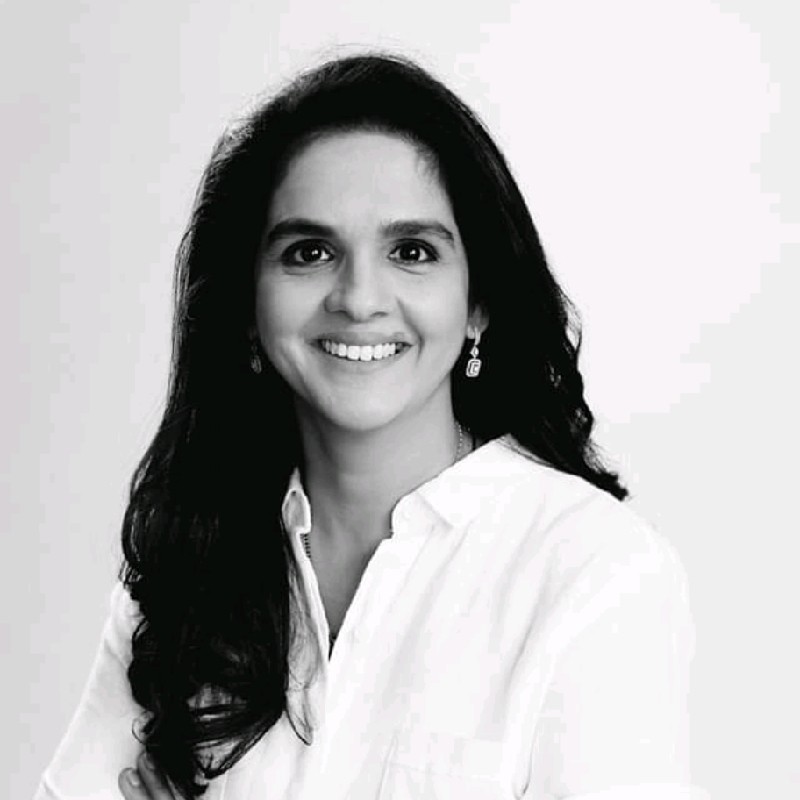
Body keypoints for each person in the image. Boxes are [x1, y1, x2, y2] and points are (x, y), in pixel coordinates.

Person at [35, 53, 703, 800]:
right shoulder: (183, 568)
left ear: (479, 303)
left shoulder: (593, 573)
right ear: (247, 306)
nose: (358, 298)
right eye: (310, 252)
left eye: (411, 252)